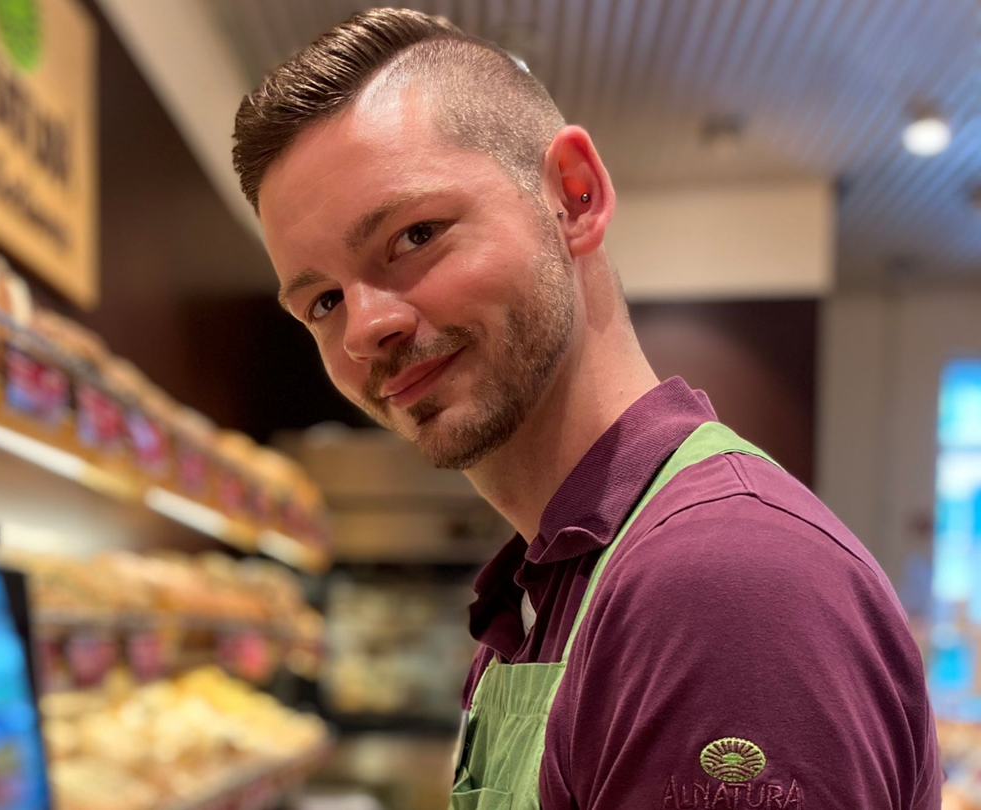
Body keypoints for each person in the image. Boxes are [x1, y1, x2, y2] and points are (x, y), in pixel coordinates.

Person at [231, 8, 940, 809]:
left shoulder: (721, 584)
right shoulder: (551, 585)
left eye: (414, 235)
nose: (366, 328)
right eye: (323, 301)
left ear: (575, 195)